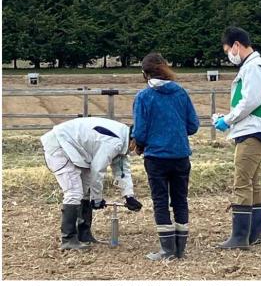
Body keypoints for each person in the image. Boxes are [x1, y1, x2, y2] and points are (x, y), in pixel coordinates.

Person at [214, 26, 261, 249]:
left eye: (227, 51)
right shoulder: (255, 66)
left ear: (236, 45)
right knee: (252, 182)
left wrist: (228, 119)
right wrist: (229, 118)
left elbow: (250, 101)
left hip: (254, 132)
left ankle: (239, 237)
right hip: (258, 130)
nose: (228, 56)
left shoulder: (253, 68)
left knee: (241, 181)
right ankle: (256, 233)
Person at [132, 52, 199, 261]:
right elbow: (193, 125)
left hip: (156, 157)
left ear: (145, 73)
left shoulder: (144, 97)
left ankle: (167, 249)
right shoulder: (180, 93)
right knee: (180, 200)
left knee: (160, 201)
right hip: (180, 155)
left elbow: (140, 132)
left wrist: (140, 145)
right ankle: (180, 248)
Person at [41, 117, 143, 250]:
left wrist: (129, 196)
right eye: (140, 150)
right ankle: (68, 239)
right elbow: (98, 169)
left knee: (85, 190)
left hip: (77, 150)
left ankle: (84, 234)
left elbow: (122, 169)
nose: (139, 154)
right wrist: (97, 199)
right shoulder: (115, 142)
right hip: (60, 146)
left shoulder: (123, 139)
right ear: (134, 140)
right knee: (74, 192)